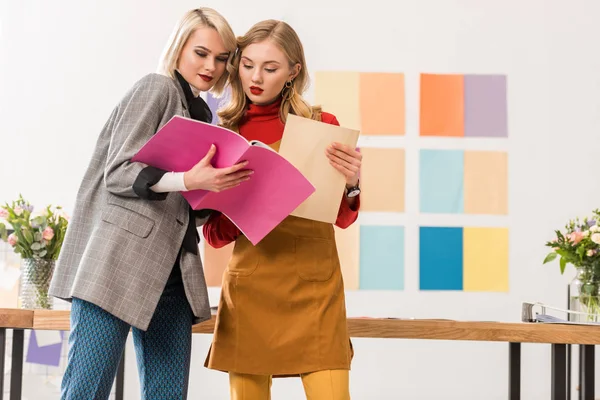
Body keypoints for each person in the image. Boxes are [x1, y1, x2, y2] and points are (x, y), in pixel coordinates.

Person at [48, 8, 252, 400]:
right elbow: (119, 171)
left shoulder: (203, 114)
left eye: (222, 58)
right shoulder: (156, 88)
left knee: (167, 395)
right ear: (178, 49)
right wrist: (190, 180)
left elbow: (183, 205)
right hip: (117, 264)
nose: (211, 66)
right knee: (85, 392)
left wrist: (222, 192)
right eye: (201, 53)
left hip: (174, 275)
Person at [203, 19, 362, 400]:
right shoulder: (224, 132)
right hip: (251, 288)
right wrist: (242, 201)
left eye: (270, 68)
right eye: (248, 64)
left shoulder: (323, 126)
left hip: (316, 289)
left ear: (294, 71)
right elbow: (212, 235)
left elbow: (343, 216)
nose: (256, 77)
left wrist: (354, 184)